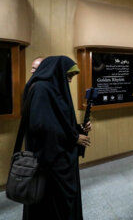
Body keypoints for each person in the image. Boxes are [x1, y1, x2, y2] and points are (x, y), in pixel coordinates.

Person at [22, 56, 91, 220]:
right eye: (68, 76)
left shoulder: (52, 89)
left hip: (60, 157)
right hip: (49, 162)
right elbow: (41, 127)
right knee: (52, 206)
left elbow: (58, 120)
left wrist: (78, 128)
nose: (70, 81)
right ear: (57, 71)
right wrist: (74, 138)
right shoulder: (41, 89)